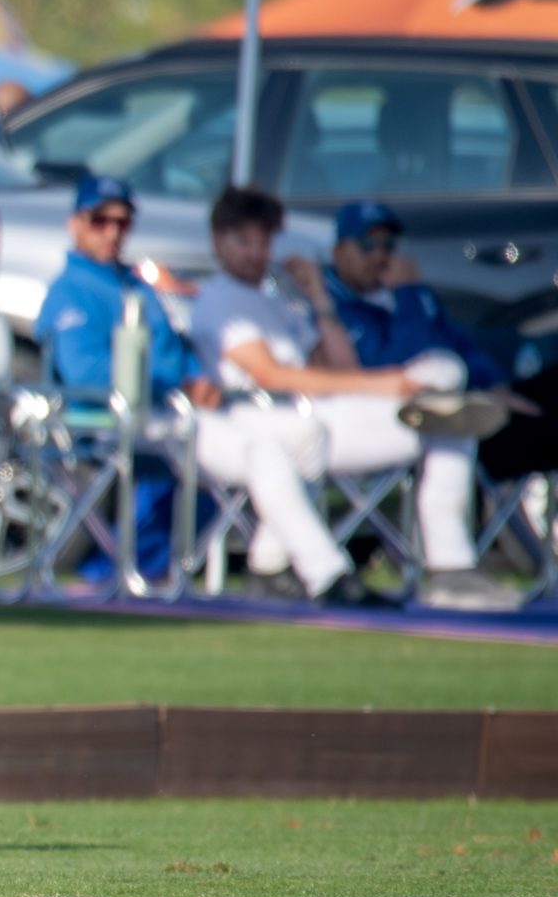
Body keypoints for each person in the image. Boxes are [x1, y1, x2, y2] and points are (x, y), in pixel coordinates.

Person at [35, 177, 382, 606]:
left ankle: (268, 566)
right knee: (264, 451)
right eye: (100, 220)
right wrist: (177, 384)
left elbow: (180, 350)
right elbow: (86, 372)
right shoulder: (71, 291)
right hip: (128, 420)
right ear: (76, 224)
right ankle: (327, 573)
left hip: (184, 411)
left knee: (306, 433)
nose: (112, 232)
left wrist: (200, 376)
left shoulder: (137, 283)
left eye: (122, 223)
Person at [187, 187, 519, 612]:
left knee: (449, 402)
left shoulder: (275, 301)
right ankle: (304, 569)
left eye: (263, 241)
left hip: (319, 418)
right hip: (269, 419)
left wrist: (319, 299)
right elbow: (273, 376)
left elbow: (340, 367)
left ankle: (450, 567)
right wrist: (383, 385)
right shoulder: (220, 300)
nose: (256, 254)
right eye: (244, 241)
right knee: (439, 408)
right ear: (218, 241)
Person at [323, 199, 538, 435]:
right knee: (446, 385)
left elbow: (457, 341)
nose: (379, 256)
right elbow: (395, 363)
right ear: (338, 252)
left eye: (388, 245)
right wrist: (407, 295)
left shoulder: (411, 294)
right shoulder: (331, 303)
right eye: (366, 244)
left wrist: (494, 385)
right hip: (383, 410)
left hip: (452, 401)